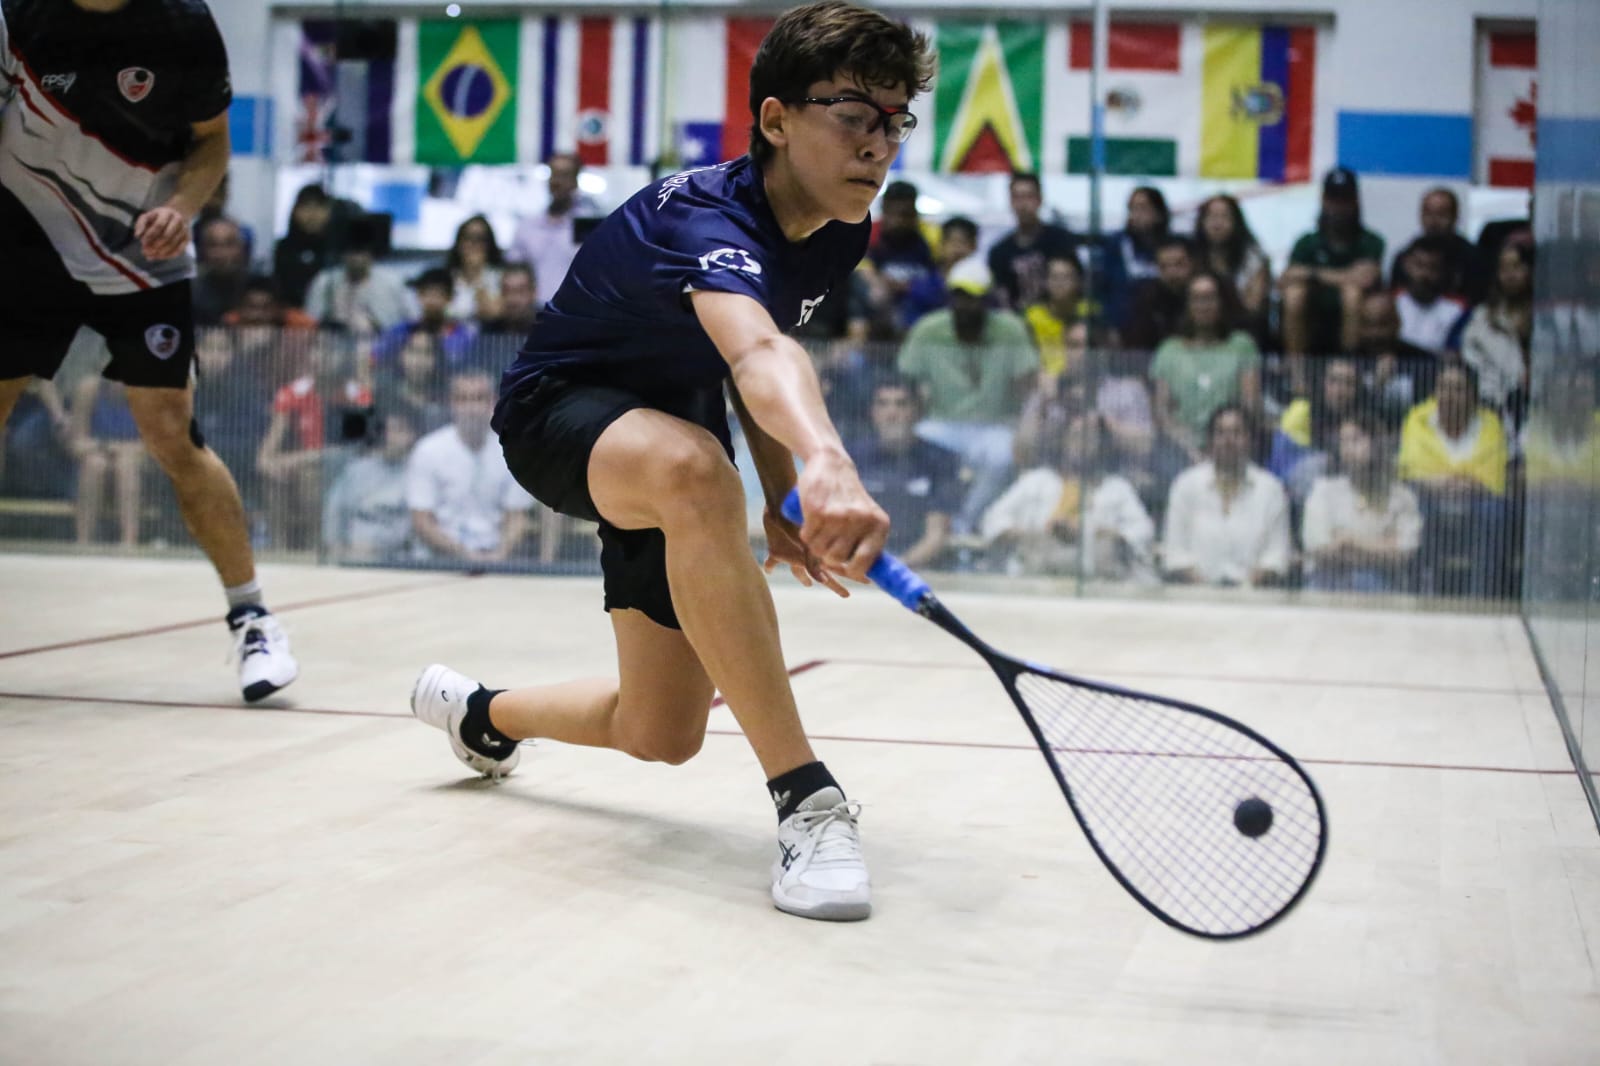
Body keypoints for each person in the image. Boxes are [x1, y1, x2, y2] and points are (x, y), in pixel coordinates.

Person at [408, 2, 934, 921]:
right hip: (557, 414)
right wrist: (827, 462)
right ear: (776, 120)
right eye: (854, 115)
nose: (878, 145)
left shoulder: (837, 227)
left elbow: (754, 349)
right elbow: (759, 356)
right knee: (695, 472)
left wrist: (783, 495)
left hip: (675, 431)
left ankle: (481, 715)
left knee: (661, 731)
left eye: (895, 122)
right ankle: (809, 803)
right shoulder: (703, 218)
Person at [0, 0, 296, 701]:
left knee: (170, 432)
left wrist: (183, 209)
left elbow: (211, 142)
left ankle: (253, 618)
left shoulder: (182, 24)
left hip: (142, 252)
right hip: (26, 248)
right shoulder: (19, 15)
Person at [897, 255, 1037, 531]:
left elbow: (1028, 387)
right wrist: (911, 419)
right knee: (917, 445)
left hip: (993, 427)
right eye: (959, 297)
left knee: (1002, 456)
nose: (965, 305)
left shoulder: (1011, 330)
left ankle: (964, 524)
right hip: (941, 425)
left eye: (972, 298)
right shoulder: (929, 330)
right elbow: (907, 381)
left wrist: (1025, 428)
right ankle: (922, 524)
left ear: (987, 299)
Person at [981, 410, 1155, 582]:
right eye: (1076, 436)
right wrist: (1032, 534)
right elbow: (994, 519)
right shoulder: (1037, 481)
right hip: (1037, 574)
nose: (1083, 443)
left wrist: (1101, 533)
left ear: (1101, 445)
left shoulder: (1116, 488)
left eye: (1091, 437)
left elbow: (1142, 530)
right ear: (1064, 441)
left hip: (1097, 577)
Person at [406, 370, 536, 564]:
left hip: (495, 560)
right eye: (463, 399)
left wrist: (500, 555)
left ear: (493, 402)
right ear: (452, 403)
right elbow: (421, 520)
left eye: (479, 398)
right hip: (437, 562)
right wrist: (463, 555)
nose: (472, 408)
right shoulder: (427, 451)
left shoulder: (513, 452)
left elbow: (517, 517)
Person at [1161, 405, 1291, 587]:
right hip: (1194, 595)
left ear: (1251, 440)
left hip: (1255, 596)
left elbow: (1276, 556)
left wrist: (1245, 590)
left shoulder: (1271, 490)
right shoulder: (1185, 486)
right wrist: (1207, 593)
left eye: (1237, 433)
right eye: (1220, 433)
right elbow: (1176, 553)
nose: (1228, 441)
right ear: (1210, 441)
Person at [847, 375, 960, 569]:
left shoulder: (941, 461)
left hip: (918, 568)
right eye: (883, 404)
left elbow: (937, 535)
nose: (891, 413)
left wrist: (895, 570)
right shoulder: (851, 457)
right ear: (873, 412)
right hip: (855, 564)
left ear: (917, 412)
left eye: (901, 404)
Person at [1148, 272, 1262, 463]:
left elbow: (1250, 406)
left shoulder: (1242, 346)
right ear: (1188, 305)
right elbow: (1162, 413)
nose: (1203, 306)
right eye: (1197, 299)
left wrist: (1223, 445)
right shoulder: (1169, 350)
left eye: (1210, 298)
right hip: (1180, 451)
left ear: (1221, 303)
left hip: (1232, 447)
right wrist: (1189, 448)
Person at [1301, 414, 1421, 593]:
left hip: (1383, 586)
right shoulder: (1323, 491)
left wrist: (1349, 541)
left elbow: (1404, 552)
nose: (1348, 449)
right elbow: (1319, 549)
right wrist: (1383, 544)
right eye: (1344, 442)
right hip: (1329, 583)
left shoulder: (1402, 497)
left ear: (1377, 443)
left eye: (1356, 440)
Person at [1280, 167, 1386, 359]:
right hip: (1313, 314)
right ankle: (1295, 368)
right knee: (1295, 294)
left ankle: (1347, 363)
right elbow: (1287, 277)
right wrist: (1344, 275)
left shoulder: (1371, 242)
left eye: (1344, 199)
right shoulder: (1307, 242)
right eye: (1333, 199)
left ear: (1355, 201)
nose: (1338, 207)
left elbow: (1366, 279)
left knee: (1351, 294)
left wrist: (1311, 274)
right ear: (1323, 200)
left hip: (1356, 314)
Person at [321, 409, 418, 564]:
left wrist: (378, 547)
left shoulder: (419, 474)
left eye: (398, 430)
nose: (390, 437)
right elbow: (335, 514)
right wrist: (337, 548)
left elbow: (415, 527)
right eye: (386, 431)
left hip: (399, 558)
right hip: (352, 554)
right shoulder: (357, 470)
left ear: (412, 435)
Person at [1453, 241, 1534, 423]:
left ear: (1530, 270)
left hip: (1539, 406)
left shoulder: (1546, 317)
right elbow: (1471, 360)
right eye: (1503, 269)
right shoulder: (1482, 318)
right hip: (1492, 406)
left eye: (1516, 266)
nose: (1510, 275)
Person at [508, 151, 599, 304]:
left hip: (574, 310)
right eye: (554, 174)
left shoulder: (588, 226)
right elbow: (513, 271)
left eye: (564, 175)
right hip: (533, 312)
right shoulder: (527, 227)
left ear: (575, 181)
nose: (557, 182)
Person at [987, 171, 1080, 311]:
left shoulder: (1061, 240)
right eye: (1017, 197)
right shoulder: (999, 252)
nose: (1023, 204)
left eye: (1028, 197)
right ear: (1010, 202)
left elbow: (1077, 283)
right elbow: (1001, 298)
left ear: (1039, 200)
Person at [304, 216, 413, 335]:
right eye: (352, 251)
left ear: (372, 253)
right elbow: (310, 323)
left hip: (384, 343)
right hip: (333, 343)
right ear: (343, 253)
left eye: (361, 251)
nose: (356, 257)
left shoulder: (393, 282)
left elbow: (413, 320)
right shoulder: (325, 282)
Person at [1391, 187, 1488, 305]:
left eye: (1441, 214)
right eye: (1428, 213)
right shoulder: (1405, 257)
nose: (1434, 220)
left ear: (1455, 216)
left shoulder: (1474, 259)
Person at [1192, 195, 1270, 331]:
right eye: (1211, 217)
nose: (1217, 224)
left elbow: (1254, 306)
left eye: (1224, 217)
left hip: (1242, 326)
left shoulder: (1253, 257)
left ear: (1236, 222)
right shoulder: (1191, 255)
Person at [1098, 185, 1170, 329]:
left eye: (1143, 208)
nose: (1136, 215)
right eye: (1132, 208)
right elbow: (1104, 288)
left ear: (1159, 213)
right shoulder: (1115, 244)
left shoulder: (1170, 247)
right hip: (1122, 323)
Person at [1392, 236, 1469, 354]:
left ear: (1443, 270)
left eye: (1433, 267)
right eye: (1419, 265)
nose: (1424, 274)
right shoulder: (1390, 301)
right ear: (1406, 264)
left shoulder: (1458, 308)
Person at [901, 215, 977, 327]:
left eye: (964, 243)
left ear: (974, 247)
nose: (958, 250)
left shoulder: (983, 289)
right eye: (953, 242)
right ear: (941, 245)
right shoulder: (922, 287)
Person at [1024, 255, 1089, 378]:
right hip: (1043, 378)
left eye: (1066, 277)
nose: (1060, 283)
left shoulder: (1089, 312)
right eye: (1054, 277)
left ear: (1078, 281)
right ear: (1046, 282)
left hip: (1083, 378)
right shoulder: (1032, 316)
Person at [446, 214, 506, 325]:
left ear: (489, 244)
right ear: (459, 243)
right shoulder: (446, 278)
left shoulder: (500, 277)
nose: (474, 244)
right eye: (468, 238)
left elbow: (493, 314)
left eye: (480, 239)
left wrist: (477, 274)